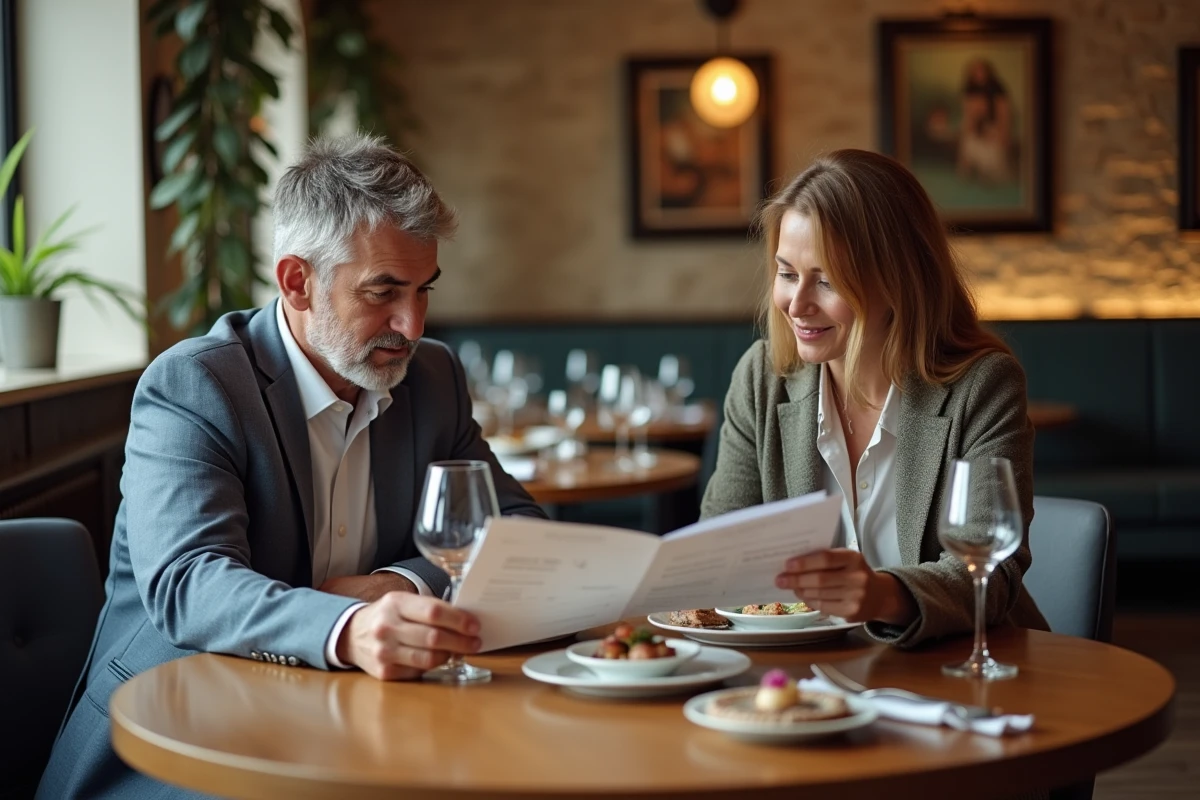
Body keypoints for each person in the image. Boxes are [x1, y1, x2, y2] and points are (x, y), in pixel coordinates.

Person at [37, 134, 545, 798]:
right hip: (176, 737)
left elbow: (513, 526)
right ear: (297, 281)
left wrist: (397, 585)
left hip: (353, 725)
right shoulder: (197, 386)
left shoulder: (433, 378)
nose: (413, 324)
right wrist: (345, 627)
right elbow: (189, 583)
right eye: (384, 291)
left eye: (424, 290)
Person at [701, 149, 1048, 648]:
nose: (796, 305)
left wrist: (882, 596)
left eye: (825, 280)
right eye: (787, 273)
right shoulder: (762, 378)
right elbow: (720, 550)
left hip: (956, 668)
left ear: (898, 279)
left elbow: (991, 575)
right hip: (806, 674)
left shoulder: (983, 386)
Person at [957, 58, 1014, 183]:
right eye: (976, 71)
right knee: (969, 143)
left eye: (981, 71)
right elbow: (968, 115)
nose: (979, 74)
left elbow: (1003, 115)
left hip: (993, 127)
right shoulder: (969, 90)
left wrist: (1001, 132)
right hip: (975, 127)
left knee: (993, 156)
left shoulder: (998, 89)